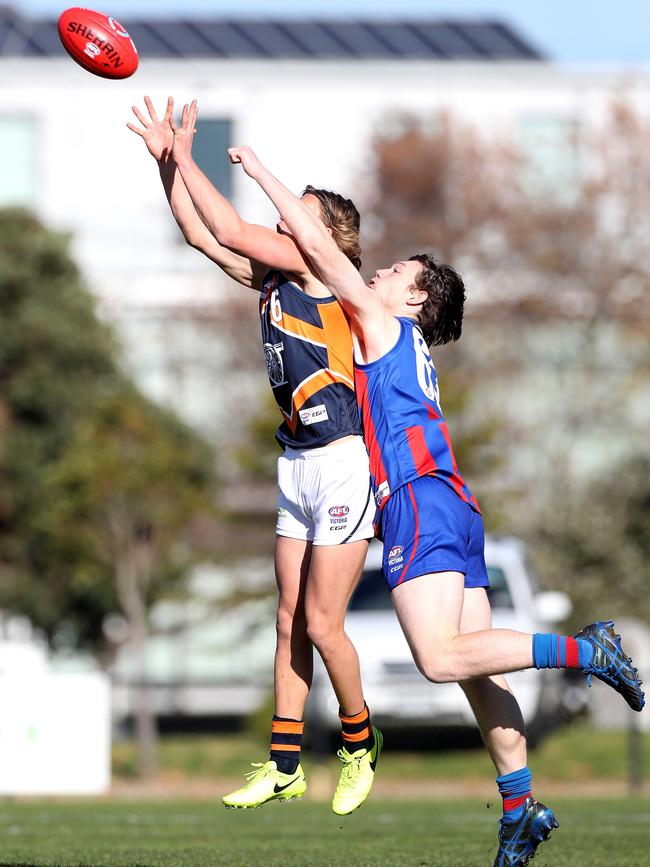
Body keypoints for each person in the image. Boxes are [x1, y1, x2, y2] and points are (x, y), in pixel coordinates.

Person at [228, 144, 646, 866]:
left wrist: (261, 172)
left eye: (396, 273)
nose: (379, 273)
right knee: (483, 675)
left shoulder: (381, 323)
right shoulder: (404, 339)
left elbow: (321, 252)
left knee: (440, 657)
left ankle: (588, 649)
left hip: (418, 502)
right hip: (455, 501)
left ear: (416, 299)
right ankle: (519, 805)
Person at [127, 98, 382, 816]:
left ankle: (360, 743)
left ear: (328, 232)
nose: (283, 217)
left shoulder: (322, 271)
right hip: (297, 460)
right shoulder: (275, 277)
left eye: (299, 209)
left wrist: (192, 157)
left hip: (342, 460)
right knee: (287, 618)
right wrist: (165, 164)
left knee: (325, 623)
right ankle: (284, 763)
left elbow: (232, 224)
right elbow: (202, 236)